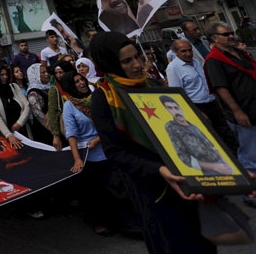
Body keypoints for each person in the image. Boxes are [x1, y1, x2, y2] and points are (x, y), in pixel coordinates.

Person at [90, 31, 214, 253]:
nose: (137, 65)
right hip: (152, 188)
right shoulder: (104, 97)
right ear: (110, 63)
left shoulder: (153, 84)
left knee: (201, 240)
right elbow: (115, 152)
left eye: (137, 57)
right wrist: (158, 170)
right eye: (127, 61)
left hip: (186, 176)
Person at [202, 22, 256, 210]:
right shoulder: (214, 60)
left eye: (231, 33)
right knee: (250, 158)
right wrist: (237, 111)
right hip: (247, 116)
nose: (231, 36)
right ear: (215, 38)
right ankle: (251, 196)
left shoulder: (239, 53)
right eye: (226, 34)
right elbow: (221, 88)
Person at [60, 71, 120, 236]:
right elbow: (71, 134)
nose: (81, 83)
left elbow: (109, 121)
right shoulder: (69, 106)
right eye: (76, 82)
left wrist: (99, 139)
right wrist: (77, 159)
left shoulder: (96, 98)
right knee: (95, 193)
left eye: (82, 79)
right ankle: (99, 222)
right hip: (89, 155)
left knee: (115, 188)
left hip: (107, 147)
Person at [165, 39, 237, 152]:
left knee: (227, 135)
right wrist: (198, 112)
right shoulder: (173, 68)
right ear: (175, 52)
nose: (188, 53)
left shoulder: (196, 62)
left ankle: (236, 159)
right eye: (183, 51)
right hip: (197, 107)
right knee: (210, 139)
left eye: (190, 50)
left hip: (212, 103)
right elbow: (178, 95)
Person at [159, 95, 232, 176]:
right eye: (170, 108)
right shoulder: (172, 127)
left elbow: (212, 147)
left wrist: (227, 163)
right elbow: (184, 157)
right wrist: (215, 167)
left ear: (181, 108)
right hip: (210, 171)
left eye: (176, 108)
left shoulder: (194, 126)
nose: (175, 112)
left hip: (223, 165)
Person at [0, 63, 30, 150]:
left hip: (23, 128)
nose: (5, 77)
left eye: (6, 74)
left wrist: (19, 123)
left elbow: (26, 105)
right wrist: (9, 135)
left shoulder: (14, 86)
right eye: (2, 75)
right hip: (8, 134)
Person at [25, 63, 53, 144]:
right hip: (46, 132)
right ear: (35, 75)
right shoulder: (33, 93)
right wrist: (55, 132)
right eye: (43, 72)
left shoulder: (49, 87)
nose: (47, 74)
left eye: (46, 72)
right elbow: (39, 115)